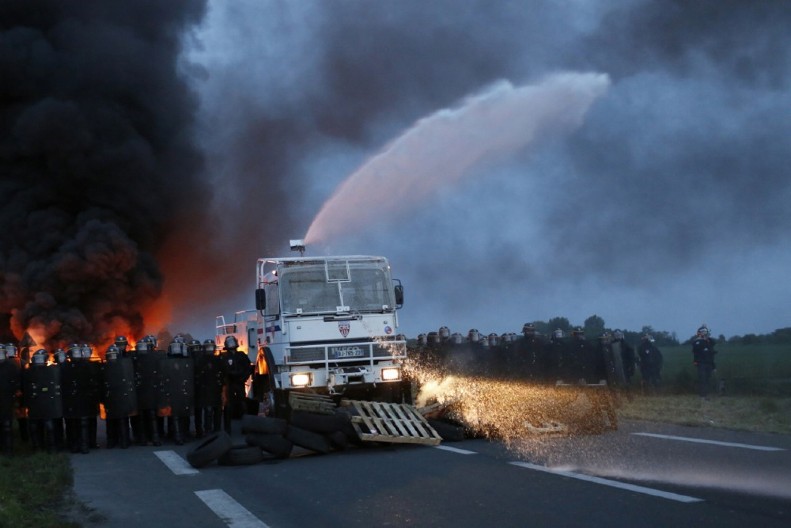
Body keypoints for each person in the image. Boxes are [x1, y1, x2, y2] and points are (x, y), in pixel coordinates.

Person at [220, 336, 252, 434]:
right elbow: (221, 371)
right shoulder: (224, 357)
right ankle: (227, 429)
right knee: (228, 406)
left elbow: (248, 368)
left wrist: (244, 377)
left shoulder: (242, 355)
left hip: (239, 383)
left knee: (243, 405)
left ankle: (246, 428)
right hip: (229, 384)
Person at [691, 324, 717, 399]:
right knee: (702, 378)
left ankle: (706, 394)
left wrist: (714, 366)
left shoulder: (709, 342)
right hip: (701, 363)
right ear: (699, 333)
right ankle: (702, 395)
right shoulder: (697, 341)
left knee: (707, 379)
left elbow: (713, 347)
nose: (704, 333)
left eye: (705, 332)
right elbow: (696, 348)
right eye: (703, 332)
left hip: (709, 363)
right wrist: (701, 339)